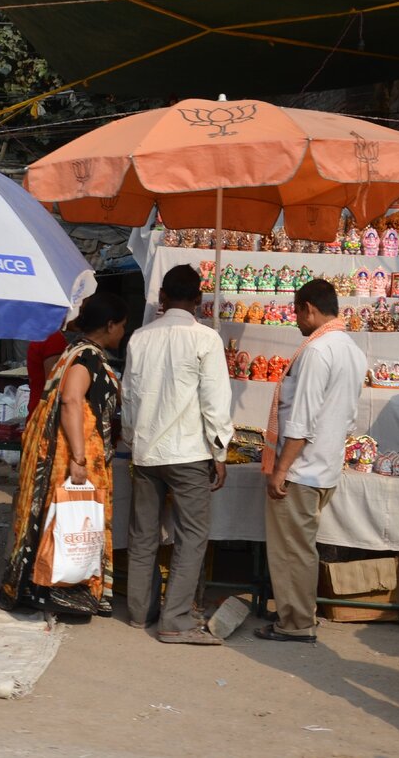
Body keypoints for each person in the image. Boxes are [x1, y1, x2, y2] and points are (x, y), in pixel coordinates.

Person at [122, 265, 233, 645]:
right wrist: (220, 450)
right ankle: (176, 617)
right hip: (188, 452)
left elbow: (129, 397)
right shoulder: (206, 339)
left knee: (143, 534)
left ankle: (140, 612)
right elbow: (215, 401)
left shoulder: (139, 338)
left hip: (147, 451)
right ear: (200, 301)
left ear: (163, 299)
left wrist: (132, 440)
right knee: (191, 536)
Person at [0, 292, 127, 616]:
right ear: (110, 325)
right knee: (70, 521)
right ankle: (63, 593)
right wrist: (79, 458)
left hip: (71, 449)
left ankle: (44, 589)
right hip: (73, 451)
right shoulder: (86, 357)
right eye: (122, 326)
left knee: (56, 519)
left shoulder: (78, 351)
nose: (123, 333)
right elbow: (71, 400)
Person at [256, 279, 364, 644]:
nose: (296, 319)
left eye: (296, 311)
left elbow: (301, 421)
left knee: (293, 551)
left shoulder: (318, 351)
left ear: (309, 308)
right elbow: (346, 416)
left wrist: (281, 470)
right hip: (325, 465)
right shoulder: (351, 349)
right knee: (299, 547)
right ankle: (295, 612)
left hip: (303, 469)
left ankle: (296, 623)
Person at [26, 322, 75, 417]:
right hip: (47, 415)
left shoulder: (43, 334)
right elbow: (54, 385)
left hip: (39, 410)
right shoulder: (53, 338)